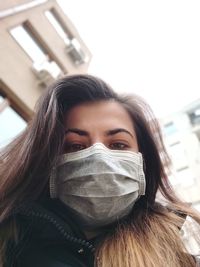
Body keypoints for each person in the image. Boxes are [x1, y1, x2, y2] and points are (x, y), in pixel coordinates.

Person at [0, 74, 200, 267]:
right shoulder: (8, 244)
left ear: (143, 163)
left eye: (118, 145)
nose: (99, 156)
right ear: (48, 162)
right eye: (75, 146)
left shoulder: (177, 261)